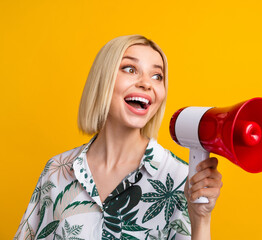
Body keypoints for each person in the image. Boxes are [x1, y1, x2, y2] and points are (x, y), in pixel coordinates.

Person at [15, 35, 222, 240]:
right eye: (130, 69)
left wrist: (201, 218)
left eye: (157, 76)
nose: (146, 84)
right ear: (103, 79)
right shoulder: (57, 171)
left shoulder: (182, 180)